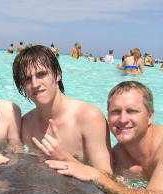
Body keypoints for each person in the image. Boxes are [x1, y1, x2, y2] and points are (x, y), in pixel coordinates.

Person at [12, 45, 112, 173]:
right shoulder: (26, 124)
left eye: (41, 74)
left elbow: (107, 177)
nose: (35, 84)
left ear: (57, 74)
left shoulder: (88, 117)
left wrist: (64, 158)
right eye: (27, 79)